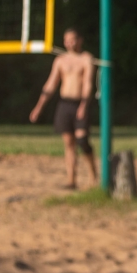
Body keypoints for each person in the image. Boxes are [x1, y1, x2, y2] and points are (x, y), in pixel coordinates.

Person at [27, 28, 97, 189]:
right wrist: (38, 107)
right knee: (69, 143)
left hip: (80, 103)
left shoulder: (86, 58)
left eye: (72, 39)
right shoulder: (60, 60)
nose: (69, 43)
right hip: (64, 104)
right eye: (66, 40)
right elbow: (50, 85)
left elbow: (88, 84)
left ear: (80, 40)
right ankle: (71, 180)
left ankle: (93, 175)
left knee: (82, 140)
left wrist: (84, 105)